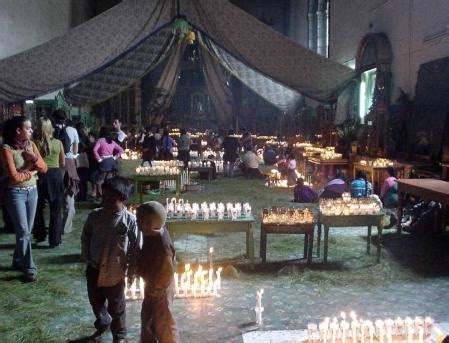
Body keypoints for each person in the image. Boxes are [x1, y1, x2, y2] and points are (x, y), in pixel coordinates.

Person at [81, 177, 140, 343]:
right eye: (104, 197)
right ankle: (102, 321)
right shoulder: (94, 216)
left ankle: (119, 336)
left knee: (117, 307)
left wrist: (132, 270)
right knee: (96, 301)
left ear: (123, 199)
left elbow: (135, 247)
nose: (106, 201)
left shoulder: (130, 221)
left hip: (115, 272)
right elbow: (86, 236)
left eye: (112, 199)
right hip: (94, 268)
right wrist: (86, 255)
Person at [0, 116, 48, 282]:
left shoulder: (31, 145)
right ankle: (29, 268)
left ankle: (17, 260)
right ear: (18, 131)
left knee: (26, 231)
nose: (31, 130)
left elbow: (44, 168)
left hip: (32, 191)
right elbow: (13, 177)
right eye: (27, 128)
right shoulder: (6, 149)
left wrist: (34, 159)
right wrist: (31, 172)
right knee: (23, 232)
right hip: (15, 193)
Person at [136, 201, 179, 343]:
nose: (137, 223)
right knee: (147, 319)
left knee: (164, 323)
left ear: (149, 223)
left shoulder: (162, 242)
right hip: (152, 285)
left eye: (139, 220)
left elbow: (167, 270)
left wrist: (159, 288)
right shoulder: (150, 233)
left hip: (161, 289)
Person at [33, 116, 65, 247]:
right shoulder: (58, 143)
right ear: (50, 127)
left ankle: (40, 235)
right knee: (56, 210)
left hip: (40, 176)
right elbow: (62, 163)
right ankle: (55, 239)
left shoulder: (34, 143)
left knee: (38, 208)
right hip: (55, 176)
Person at [53, 109, 80, 234]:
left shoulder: (50, 130)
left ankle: (56, 226)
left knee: (56, 197)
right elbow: (75, 151)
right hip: (69, 165)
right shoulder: (73, 130)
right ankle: (65, 228)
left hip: (54, 166)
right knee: (69, 198)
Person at [93, 127, 124, 199]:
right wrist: (114, 157)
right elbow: (121, 150)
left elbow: (94, 150)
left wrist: (98, 159)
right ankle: (110, 196)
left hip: (104, 162)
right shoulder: (112, 141)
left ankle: (100, 197)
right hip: (111, 161)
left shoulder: (100, 140)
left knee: (99, 181)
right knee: (109, 181)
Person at [75, 122, 90, 201]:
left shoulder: (76, 136)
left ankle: (80, 195)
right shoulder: (85, 136)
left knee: (79, 178)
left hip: (77, 157)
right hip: (84, 157)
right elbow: (89, 146)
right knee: (84, 179)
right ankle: (84, 195)